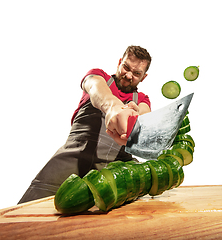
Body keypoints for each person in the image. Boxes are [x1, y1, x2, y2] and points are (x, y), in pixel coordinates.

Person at [18, 46, 152, 204]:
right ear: (119, 63)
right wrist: (113, 108)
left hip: (116, 167)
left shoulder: (142, 99)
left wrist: (136, 129)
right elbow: (97, 91)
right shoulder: (98, 76)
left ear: (144, 77)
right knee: (31, 208)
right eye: (126, 67)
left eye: (137, 73)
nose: (128, 75)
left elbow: (144, 117)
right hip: (74, 156)